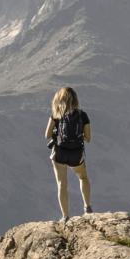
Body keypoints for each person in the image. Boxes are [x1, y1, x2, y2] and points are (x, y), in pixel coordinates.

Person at [45, 86, 92, 219]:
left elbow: (46, 135)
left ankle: (65, 216)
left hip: (59, 152)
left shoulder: (56, 114)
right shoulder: (82, 115)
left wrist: (57, 134)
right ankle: (87, 208)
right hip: (76, 153)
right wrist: (77, 137)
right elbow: (88, 138)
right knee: (83, 177)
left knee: (62, 184)